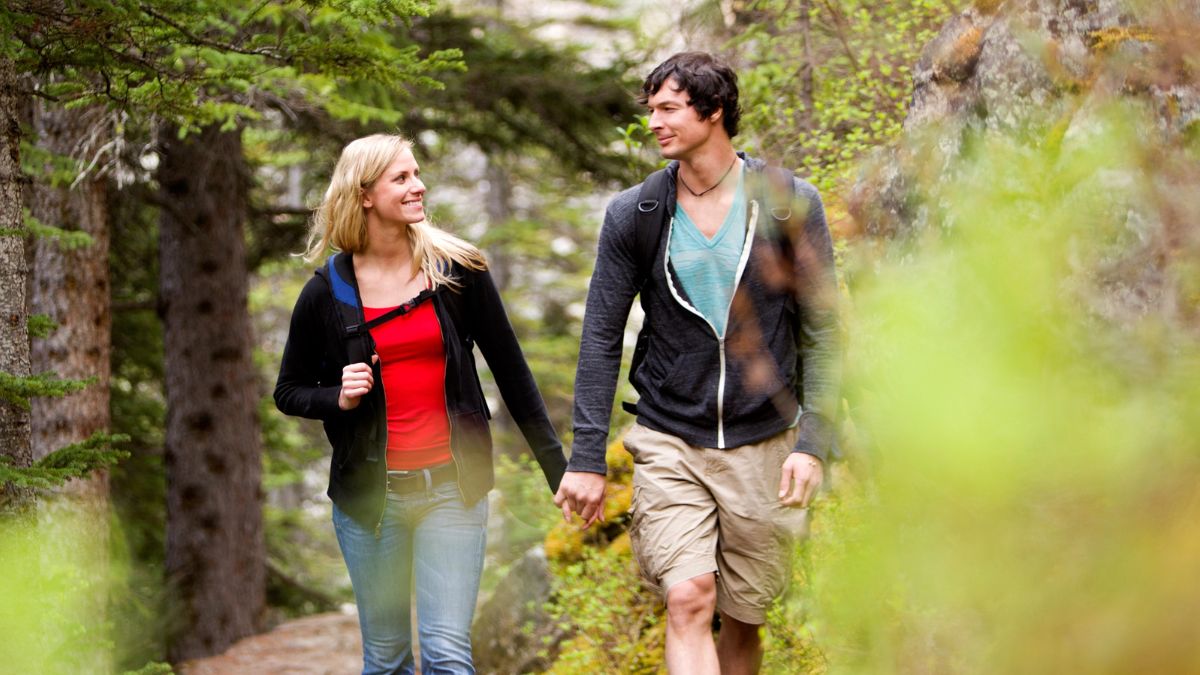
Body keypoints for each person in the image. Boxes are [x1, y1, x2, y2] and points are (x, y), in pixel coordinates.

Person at [554, 52, 841, 674]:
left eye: (668, 108)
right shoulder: (636, 213)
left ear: (712, 112)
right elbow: (601, 336)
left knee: (744, 618)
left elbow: (824, 333)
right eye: (650, 109)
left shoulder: (789, 203)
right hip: (669, 436)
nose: (653, 122)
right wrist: (586, 457)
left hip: (766, 438)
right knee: (688, 598)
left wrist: (814, 442)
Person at [274, 133, 566, 675]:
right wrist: (337, 396)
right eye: (401, 178)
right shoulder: (327, 291)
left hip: (452, 490)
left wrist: (560, 470)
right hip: (369, 503)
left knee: (448, 656)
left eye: (417, 174)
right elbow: (288, 391)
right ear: (364, 194)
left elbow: (512, 372)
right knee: (385, 661)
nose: (418, 185)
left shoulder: (457, 271)